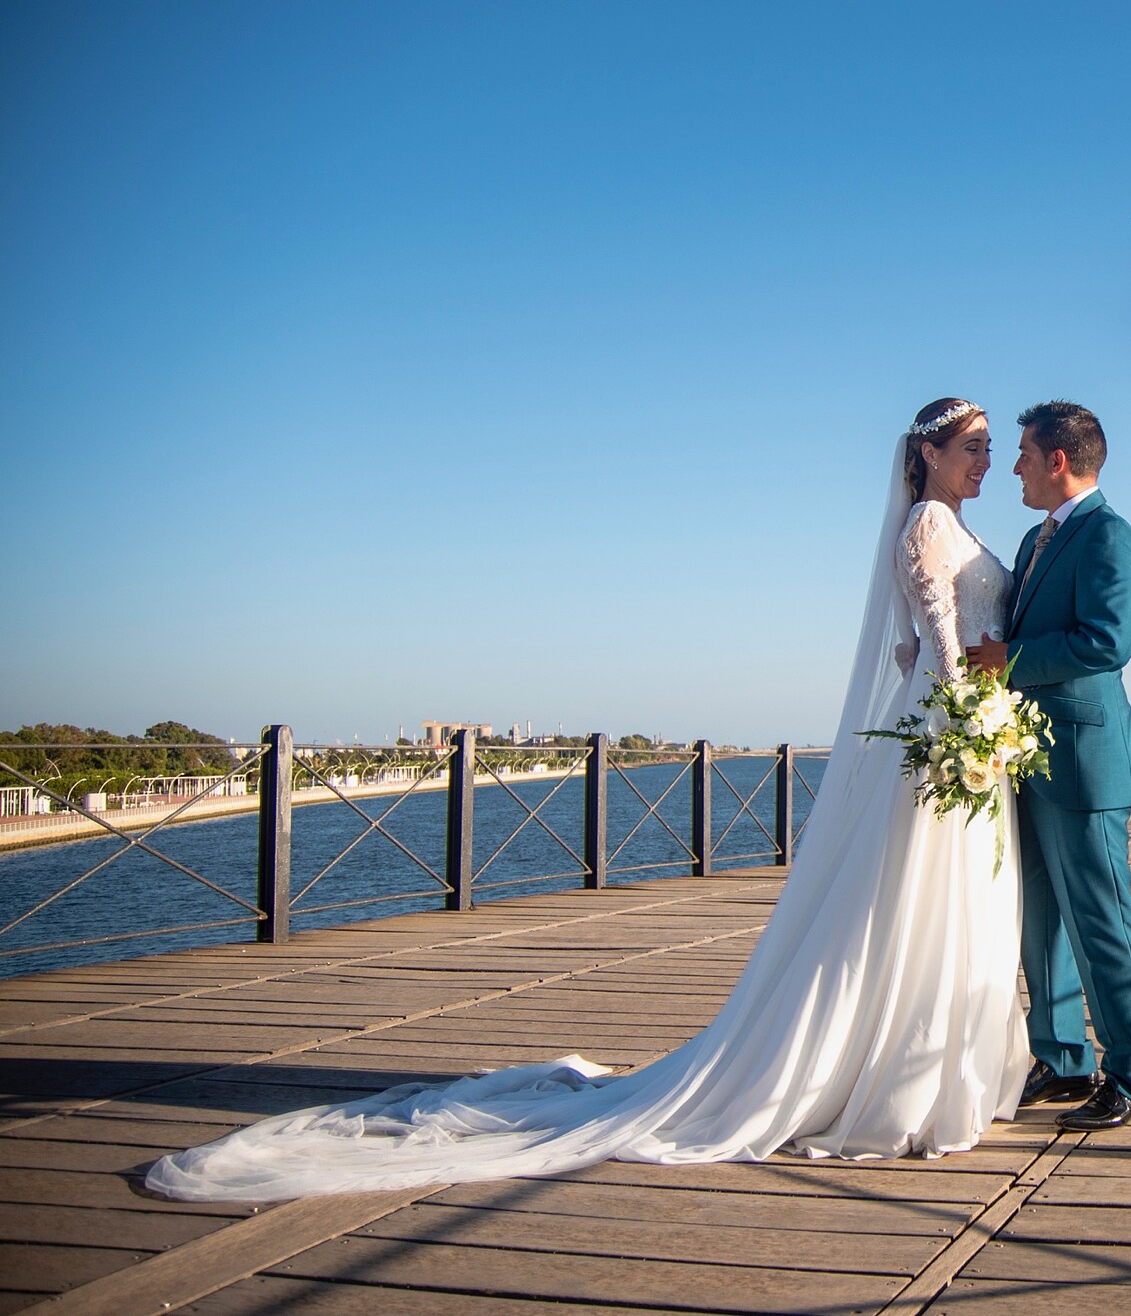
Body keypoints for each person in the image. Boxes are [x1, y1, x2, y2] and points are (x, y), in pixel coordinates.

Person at [146, 398, 1034, 1202]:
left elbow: (910, 654)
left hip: (956, 727)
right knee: (918, 901)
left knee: (932, 900)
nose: (986, 460)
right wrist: (972, 720)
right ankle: (900, 1078)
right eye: (973, 447)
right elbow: (937, 652)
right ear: (928, 453)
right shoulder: (926, 522)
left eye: (992, 447)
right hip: (950, 731)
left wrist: (975, 704)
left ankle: (926, 1065)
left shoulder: (951, 525)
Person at [966, 400, 1131, 1131]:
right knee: (1041, 919)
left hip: (1085, 760)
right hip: (1028, 757)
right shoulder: (1034, 539)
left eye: (1022, 453)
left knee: (1102, 919)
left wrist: (1008, 661)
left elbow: (1107, 641)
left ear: (1057, 460)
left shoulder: (1111, 535)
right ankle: (1062, 1059)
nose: (1012, 467)